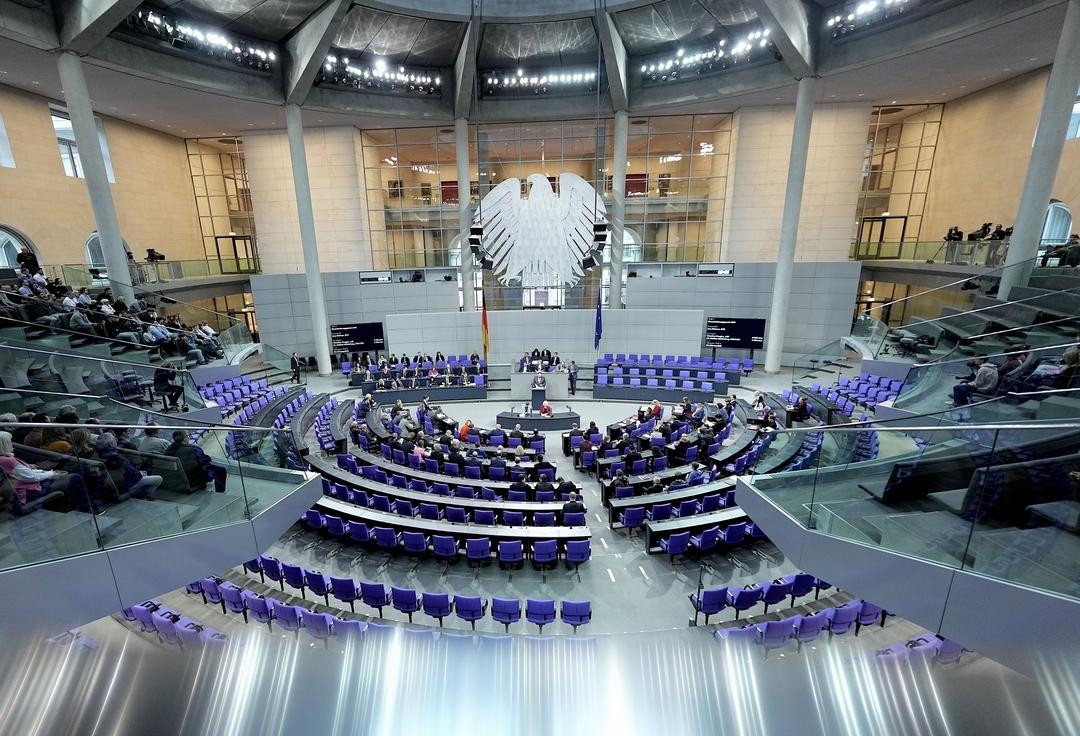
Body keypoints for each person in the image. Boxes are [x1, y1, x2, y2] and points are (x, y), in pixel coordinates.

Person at [0, 430, 96, 513]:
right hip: (28, 492)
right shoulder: (7, 460)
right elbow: (30, 477)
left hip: (22, 489)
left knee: (69, 478)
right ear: (4, 444)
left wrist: (47, 473)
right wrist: (52, 473)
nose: (12, 444)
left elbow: (24, 474)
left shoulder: (4, 459)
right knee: (75, 477)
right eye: (9, 441)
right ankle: (88, 508)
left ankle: (78, 507)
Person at [96, 432, 163, 500]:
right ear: (110, 444)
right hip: (125, 488)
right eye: (114, 439)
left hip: (106, 489)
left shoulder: (96, 456)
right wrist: (141, 473)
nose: (116, 440)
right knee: (158, 479)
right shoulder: (118, 458)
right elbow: (135, 476)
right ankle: (148, 497)